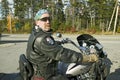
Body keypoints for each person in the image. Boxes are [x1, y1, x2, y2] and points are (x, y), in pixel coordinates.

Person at [26, 9, 98, 80]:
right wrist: (87, 58)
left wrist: (58, 42)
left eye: (49, 19)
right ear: (37, 22)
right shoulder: (42, 39)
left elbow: (46, 48)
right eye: (44, 19)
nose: (48, 21)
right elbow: (62, 54)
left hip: (40, 70)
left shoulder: (36, 33)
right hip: (47, 76)